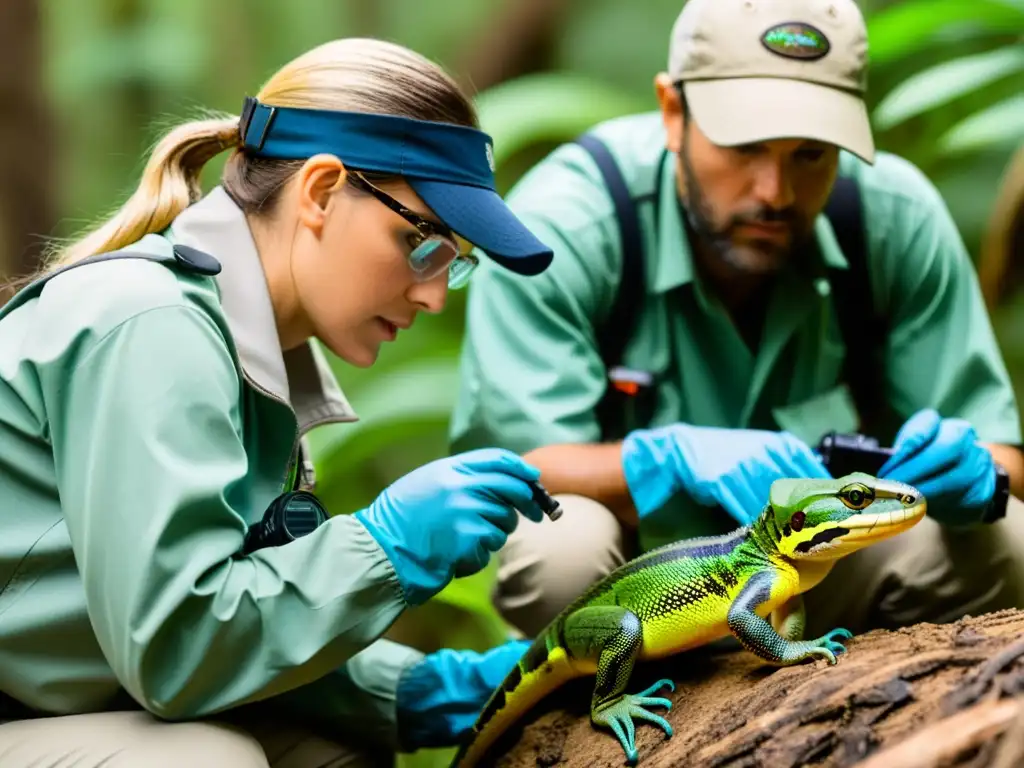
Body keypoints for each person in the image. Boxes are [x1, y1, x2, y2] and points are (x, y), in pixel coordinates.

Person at [0, 38, 557, 768]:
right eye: (424, 245)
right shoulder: (151, 322)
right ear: (322, 191)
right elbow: (176, 651)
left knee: (332, 754)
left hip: (59, 704)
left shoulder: (247, 352)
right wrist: (384, 547)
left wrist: (417, 691)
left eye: (455, 264)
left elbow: (224, 621)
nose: (430, 292)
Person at [449, 0, 1024, 642]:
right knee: (560, 553)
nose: (774, 191)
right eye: (745, 146)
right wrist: (658, 460)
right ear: (673, 113)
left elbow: (1004, 457)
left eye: (810, 154)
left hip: (816, 570)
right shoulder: (568, 225)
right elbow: (510, 467)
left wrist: (974, 472)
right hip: (647, 595)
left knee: (1009, 539)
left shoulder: (893, 217)